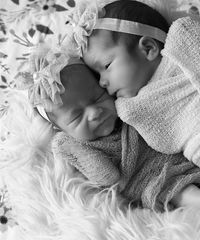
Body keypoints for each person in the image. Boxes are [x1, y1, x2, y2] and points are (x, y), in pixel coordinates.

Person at [15, 39, 200, 213]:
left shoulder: (124, 103)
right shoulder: (73, 144)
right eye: (77, 116)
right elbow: (107, 177)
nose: (95, 112)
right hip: (150, 180)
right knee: (182, 192)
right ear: (61, 129)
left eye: (97, 98)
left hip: (179, 155)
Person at [71, 0, 200, 170]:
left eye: (106, 65)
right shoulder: (131, 107)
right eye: (97, 75)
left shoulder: (182, 43)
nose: (101, 83)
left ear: (148, 48)